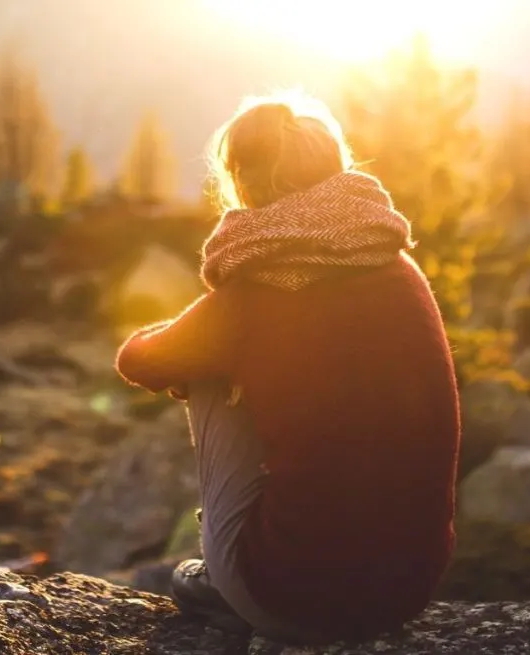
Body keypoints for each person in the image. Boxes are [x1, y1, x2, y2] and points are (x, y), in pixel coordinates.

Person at [115, 91, 461, 643]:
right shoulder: (399, 266)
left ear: (245, 185)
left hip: (289, 599)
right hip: (407, 590)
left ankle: (227, 569)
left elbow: (140, 361)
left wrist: (217, 344)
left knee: (202, 367)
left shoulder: (255, 290)